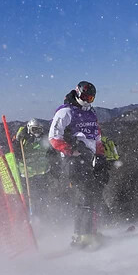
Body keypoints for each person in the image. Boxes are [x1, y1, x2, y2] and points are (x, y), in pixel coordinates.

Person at [48, 81, 107, 247]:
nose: (88, 101)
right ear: (77, 93)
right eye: (85, 97)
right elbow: (53, 137)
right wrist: (70, 151)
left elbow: (96, 137)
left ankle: (86, 233)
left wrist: (100, 155)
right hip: (74, 161)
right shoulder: (66, 111)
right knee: (87, 196)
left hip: (90, 159)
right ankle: (84, 235)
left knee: (92, 195)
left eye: (91, 98)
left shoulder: (90, 113)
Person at [13, 119, 51, 214]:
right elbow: (16, 154)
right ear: (29, 129)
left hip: (42, 173)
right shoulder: (23, 140)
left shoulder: (44, 139)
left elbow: (51, 153)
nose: (37, 133)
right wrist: (18, 141)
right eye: (34, 130)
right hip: (27, 175)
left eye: (39, 130)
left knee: (43, 196)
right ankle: (29, 214)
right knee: (30, 197)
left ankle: (42, 213)